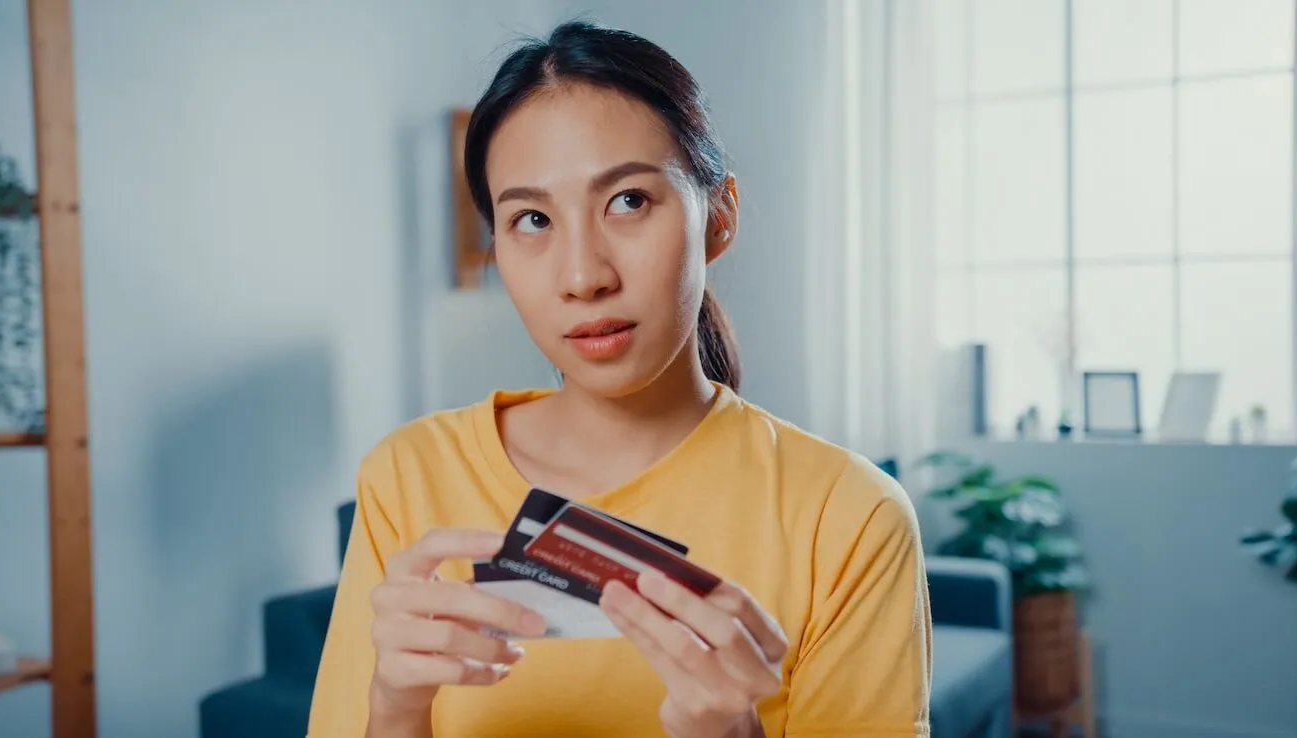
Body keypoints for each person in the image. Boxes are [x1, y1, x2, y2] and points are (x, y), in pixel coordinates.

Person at [307, 20, 931, 738]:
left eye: (629, 201)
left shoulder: (849, 516)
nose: (582, 277)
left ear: (717, 216)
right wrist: (393, 706)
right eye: (533, 219)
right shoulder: (409, 474)